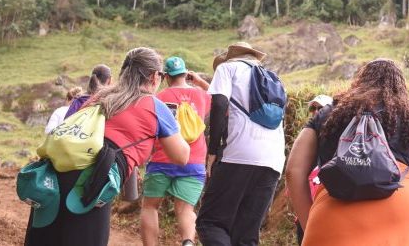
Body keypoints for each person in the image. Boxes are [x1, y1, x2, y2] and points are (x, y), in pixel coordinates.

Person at [286, 58, 409, 246]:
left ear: (360, 81)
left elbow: (293, 171)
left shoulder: (327, 114)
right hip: (404, 210)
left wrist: (309, 221)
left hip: (334, 211)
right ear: (401, 86)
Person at [25, 47, 190, 246]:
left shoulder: (97, 98)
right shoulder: (155, 106)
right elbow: (181, 156)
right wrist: (176, 125)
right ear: (155, 76)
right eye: (161, 75)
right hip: (93, 180)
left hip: (53, 174)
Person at [196, 42, 285, 246]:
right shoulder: (273, 79)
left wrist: (212, 151)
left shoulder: (227, 68)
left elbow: (219, 104)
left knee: (210, 222)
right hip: (273, 160)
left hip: (238, 154)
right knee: (245, 235)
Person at [141, 56, 211, 246]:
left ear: (166, 77)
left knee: (150, 206)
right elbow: (220, 98)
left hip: (162, 159)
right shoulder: (202, 96)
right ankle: (188, 242)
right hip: (194, 161)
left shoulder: (159, 98)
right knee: (186, 209)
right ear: (186, 74)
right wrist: (199, 81)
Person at [291, 94, 333, 245]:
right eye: (312, 108)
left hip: (327, 211)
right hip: (307, 212)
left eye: (320, 108)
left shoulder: (335, 142)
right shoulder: (306, 142)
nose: (316, 112)